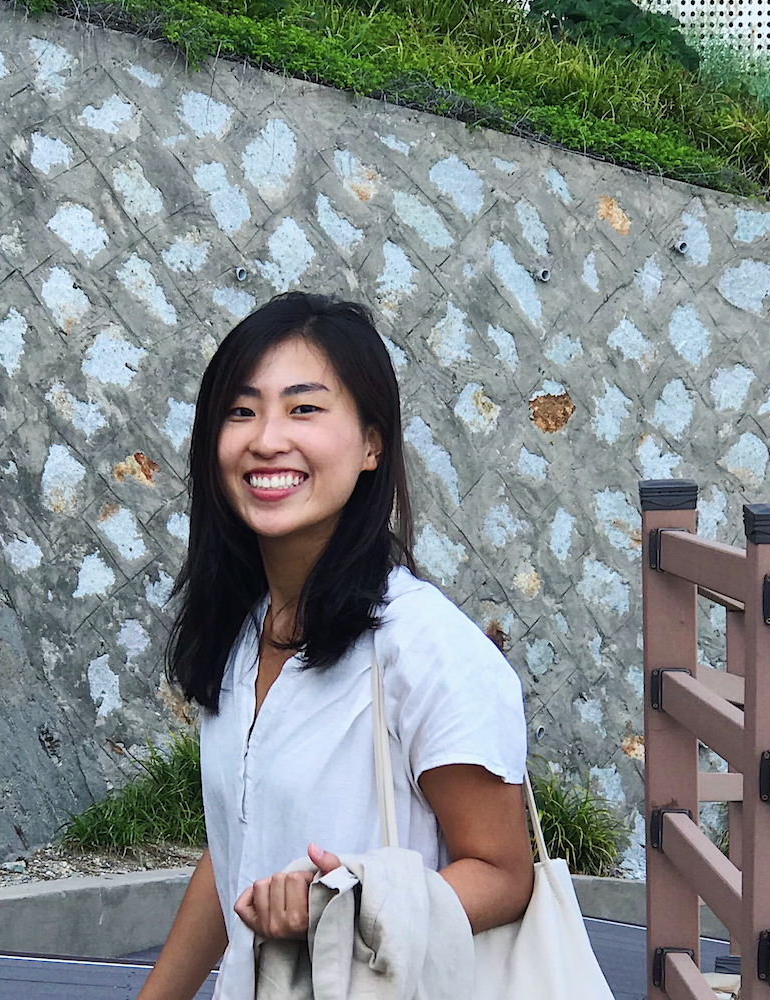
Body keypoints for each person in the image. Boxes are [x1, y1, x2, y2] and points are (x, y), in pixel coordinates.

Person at [137, 292, 534, 1000]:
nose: (266, 439)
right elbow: (239, 841)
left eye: (304, 408)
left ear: (372, 443)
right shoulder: (241, 628)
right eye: (241, 410)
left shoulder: (424, 648)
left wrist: (341, 904)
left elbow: (504, 874)